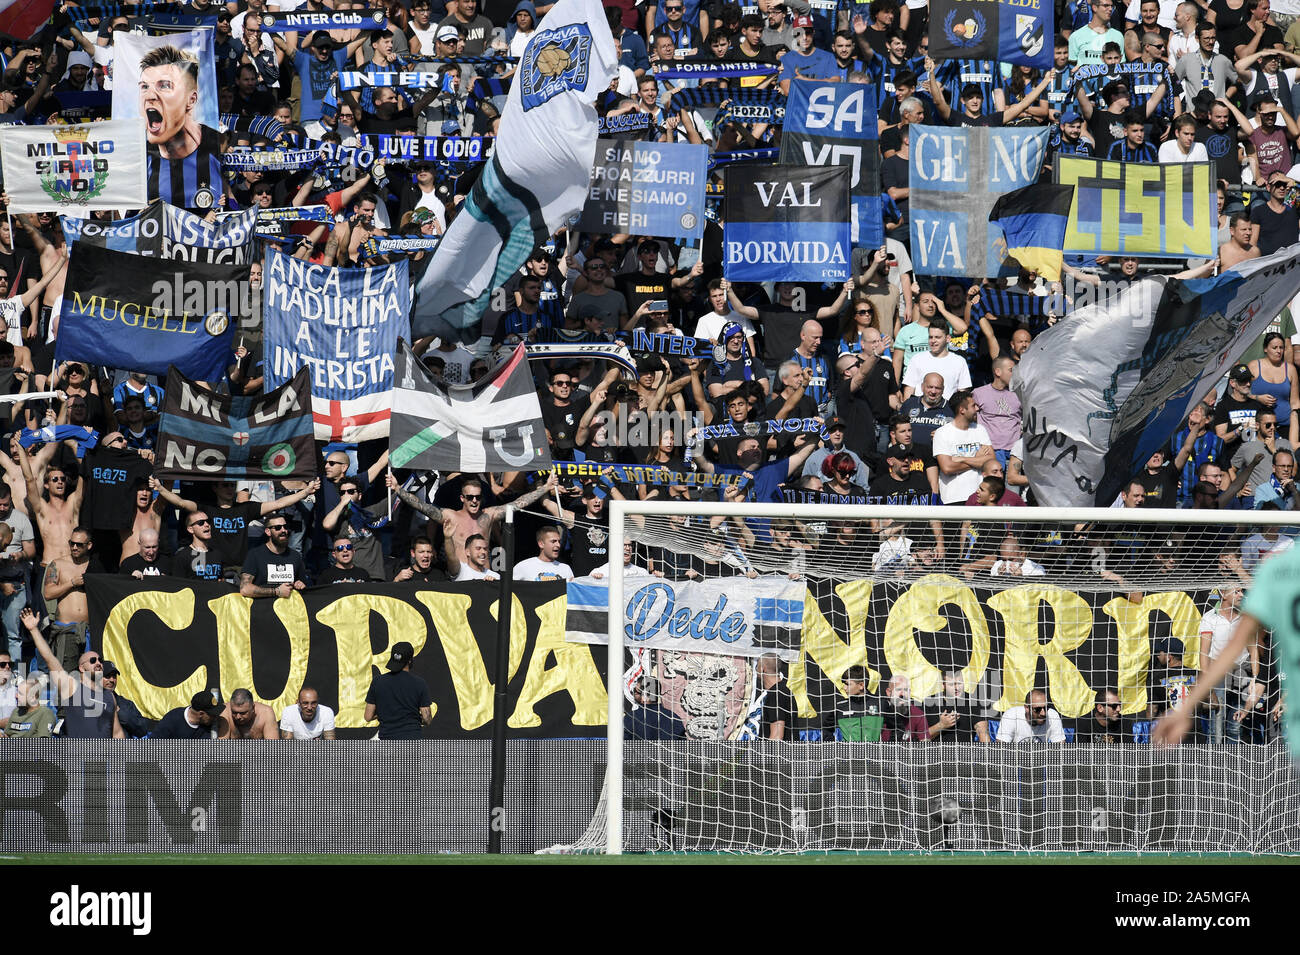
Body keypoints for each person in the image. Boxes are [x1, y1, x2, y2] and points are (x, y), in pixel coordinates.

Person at [1155, 545, 1300, 753]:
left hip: (1255, 677)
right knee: (1228, 722)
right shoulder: (1258, 614)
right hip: (1230, 675)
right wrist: (1184, 709)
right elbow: (1232, 649)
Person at [137, 45, 223, 210]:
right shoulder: (139, 152)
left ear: (191, 100)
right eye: (144, 87)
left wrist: (224, 208)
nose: (150, 96)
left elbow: (228, 199)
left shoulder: (215, 143)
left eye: (164, 85)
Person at [22, 608, 123, 739]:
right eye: (93, 660)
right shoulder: (72, 688)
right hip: (78, 757)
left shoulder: (110, 697)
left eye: (100, 660)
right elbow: (50, 659)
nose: (98, 663)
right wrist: (34, 630)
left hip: (102, 758)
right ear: (81, 668)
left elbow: (117, 732)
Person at [42, 526, 102, 673]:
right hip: (66, 629)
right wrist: (72, 583)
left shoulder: (96, 566)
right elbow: (48, 593)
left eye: (79, 545)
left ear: (89, 545)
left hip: (88, 630)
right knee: (67, 675)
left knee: (91, 676)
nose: (74, 547)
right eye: (71, 543)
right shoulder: (58, 564)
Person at [933, 389, 996, 505]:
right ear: (962, 410)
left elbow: (991, 461)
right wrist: (978, 460)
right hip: (954, 498)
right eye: (973, 406)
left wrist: (961, 459)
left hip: (980, 497)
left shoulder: (980, 429)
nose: (977, 409)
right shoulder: (942, 433)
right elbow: (947, 468)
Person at [364, 640, 433, 739]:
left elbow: (368, 717)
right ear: (410, 660)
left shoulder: (377, 682)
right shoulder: (419, 683)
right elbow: (427, 719)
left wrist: (385, 714)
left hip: (388, 741)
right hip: (412, 741)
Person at [240, 516, 309, 598]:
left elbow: (303, 584)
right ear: (268, 532)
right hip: (263, 607)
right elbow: (245, 589)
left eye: (285, 527)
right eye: (278, 528)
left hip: (289, 607)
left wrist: (300, 585)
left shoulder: (295, 556)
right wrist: (276, 592)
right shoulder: (255, 554)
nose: (283, 530)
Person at [996, 688, 1066, 743]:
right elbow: (1000, 750)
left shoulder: (1052, 716)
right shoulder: (1011, 716)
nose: (1043, 713)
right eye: (1037, 709)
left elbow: (1060, 749)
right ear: (1027, 708)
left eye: (1046, 708)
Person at [101, 660, 150, 738]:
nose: (112, 680)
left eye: (114, 676)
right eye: (107, 676)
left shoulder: (125, 704)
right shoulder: (88, 703)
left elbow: (143, 730)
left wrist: (119, 711)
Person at [152, 689, 226, 739]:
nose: (215, 717)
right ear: (201, 714)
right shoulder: (172, 720)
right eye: (212, 715)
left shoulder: (207, 725)